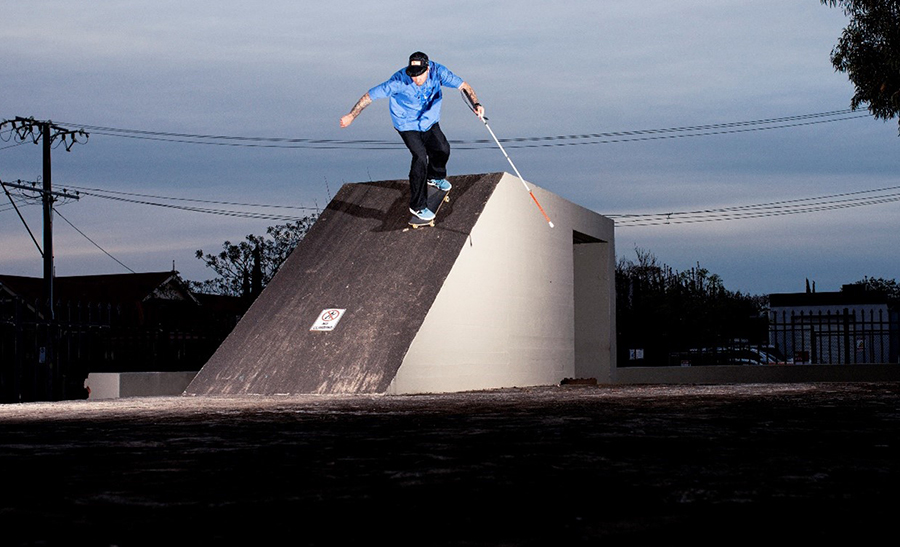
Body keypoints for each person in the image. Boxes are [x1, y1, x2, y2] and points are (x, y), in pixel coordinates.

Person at [340, 51, 485, 221]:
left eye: (420, 75)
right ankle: (417, 206)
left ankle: (435, 177)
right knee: (420, 158)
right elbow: (369, 97)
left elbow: (464, 86)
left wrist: (476, 103)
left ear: (428, 69)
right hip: (406, 124)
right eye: (413, 75)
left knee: (443, 148)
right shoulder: (398, 81)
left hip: (429, 121)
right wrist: (351, 115)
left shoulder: (439, 72)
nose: (416, 80)